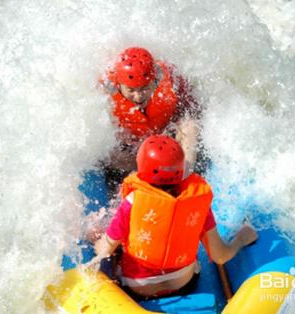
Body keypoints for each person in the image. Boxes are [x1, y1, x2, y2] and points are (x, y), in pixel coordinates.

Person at [94, 135, 258, 299]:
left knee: (108, 240)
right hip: (183, 284)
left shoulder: (132, 202)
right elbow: (220, 256)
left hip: (136, 288)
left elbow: (104, 251)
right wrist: (241, 240)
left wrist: (95, 239)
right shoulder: (196, 201)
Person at [100, 47, 205, 191]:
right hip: (131, 151)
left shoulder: (170, 79)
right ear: (119, 85)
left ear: (154, 81)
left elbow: (191, 109)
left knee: (190, 126)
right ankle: (145, 179)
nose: (138, 96)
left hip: (166, 143)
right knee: (109, 154)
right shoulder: (105, 92)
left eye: (144, 88)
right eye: (131, 90)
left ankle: (183, 180)